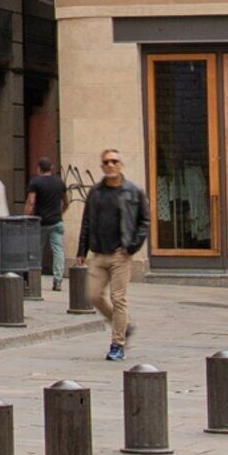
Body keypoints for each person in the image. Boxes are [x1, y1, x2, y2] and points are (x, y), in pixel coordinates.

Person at [77, 149, 144, 361]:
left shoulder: (133, 191)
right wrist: (81, 250)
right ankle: (124, 325)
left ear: (121, 164)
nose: (110, 165)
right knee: (93, 296)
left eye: (114, 161)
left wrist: (132, 247)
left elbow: (144, 222)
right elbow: (86, 221)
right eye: (106, 162)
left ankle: (117, 343)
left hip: (120, 254)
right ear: (102, 166)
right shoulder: (96, 192)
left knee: (118, 299)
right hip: (98, 253)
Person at [26, 159, 68, 282]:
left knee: (37, 250)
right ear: (52, 167)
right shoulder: (59, 182)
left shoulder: (35, 182)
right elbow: (66, 202)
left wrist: (27, 217)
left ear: (39, 168)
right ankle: (58, 279)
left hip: (41, 222)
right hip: (56, 221)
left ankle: (35, 278)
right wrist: (60, 213)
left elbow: (31, 203)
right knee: (58, 250)